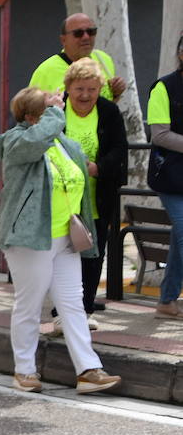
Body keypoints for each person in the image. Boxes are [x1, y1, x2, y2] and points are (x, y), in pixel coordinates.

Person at [0, 87, 121, 394]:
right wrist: (54, 111)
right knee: (30, 304)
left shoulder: (63, 144)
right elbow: (37, 140)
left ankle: (88, 370)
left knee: (72, 305)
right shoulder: (15, 141)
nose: (59, 111)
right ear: (31, 116)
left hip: (64, 237)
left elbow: (78, 181)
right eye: (49, 108)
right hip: (31, 239)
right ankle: (24, 370)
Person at [60, 57, 127, 325]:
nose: (85, 95)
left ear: (100, 89)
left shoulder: (109, 111)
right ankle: (61, 311)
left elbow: (119, 149)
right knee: (64, 255)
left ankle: (85, 309)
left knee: (93, 253)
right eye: (79, 89)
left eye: (92, 89)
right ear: (68, 88)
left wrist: (98, 168)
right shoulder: (56, 110)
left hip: (97, 195)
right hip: (62, 199)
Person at [147, 33, 183, 321]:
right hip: (171, 177)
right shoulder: (163, 87)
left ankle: (167, 301)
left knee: (179, 238)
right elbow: (159, 134)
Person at [29, 13, 126, 101]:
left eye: (91, 31)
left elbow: (106, 109)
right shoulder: (46, 71)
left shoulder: (104, 59)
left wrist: (116, 94)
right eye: (78, 33)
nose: (86, 37)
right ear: (63, 40)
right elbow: (31, 112)